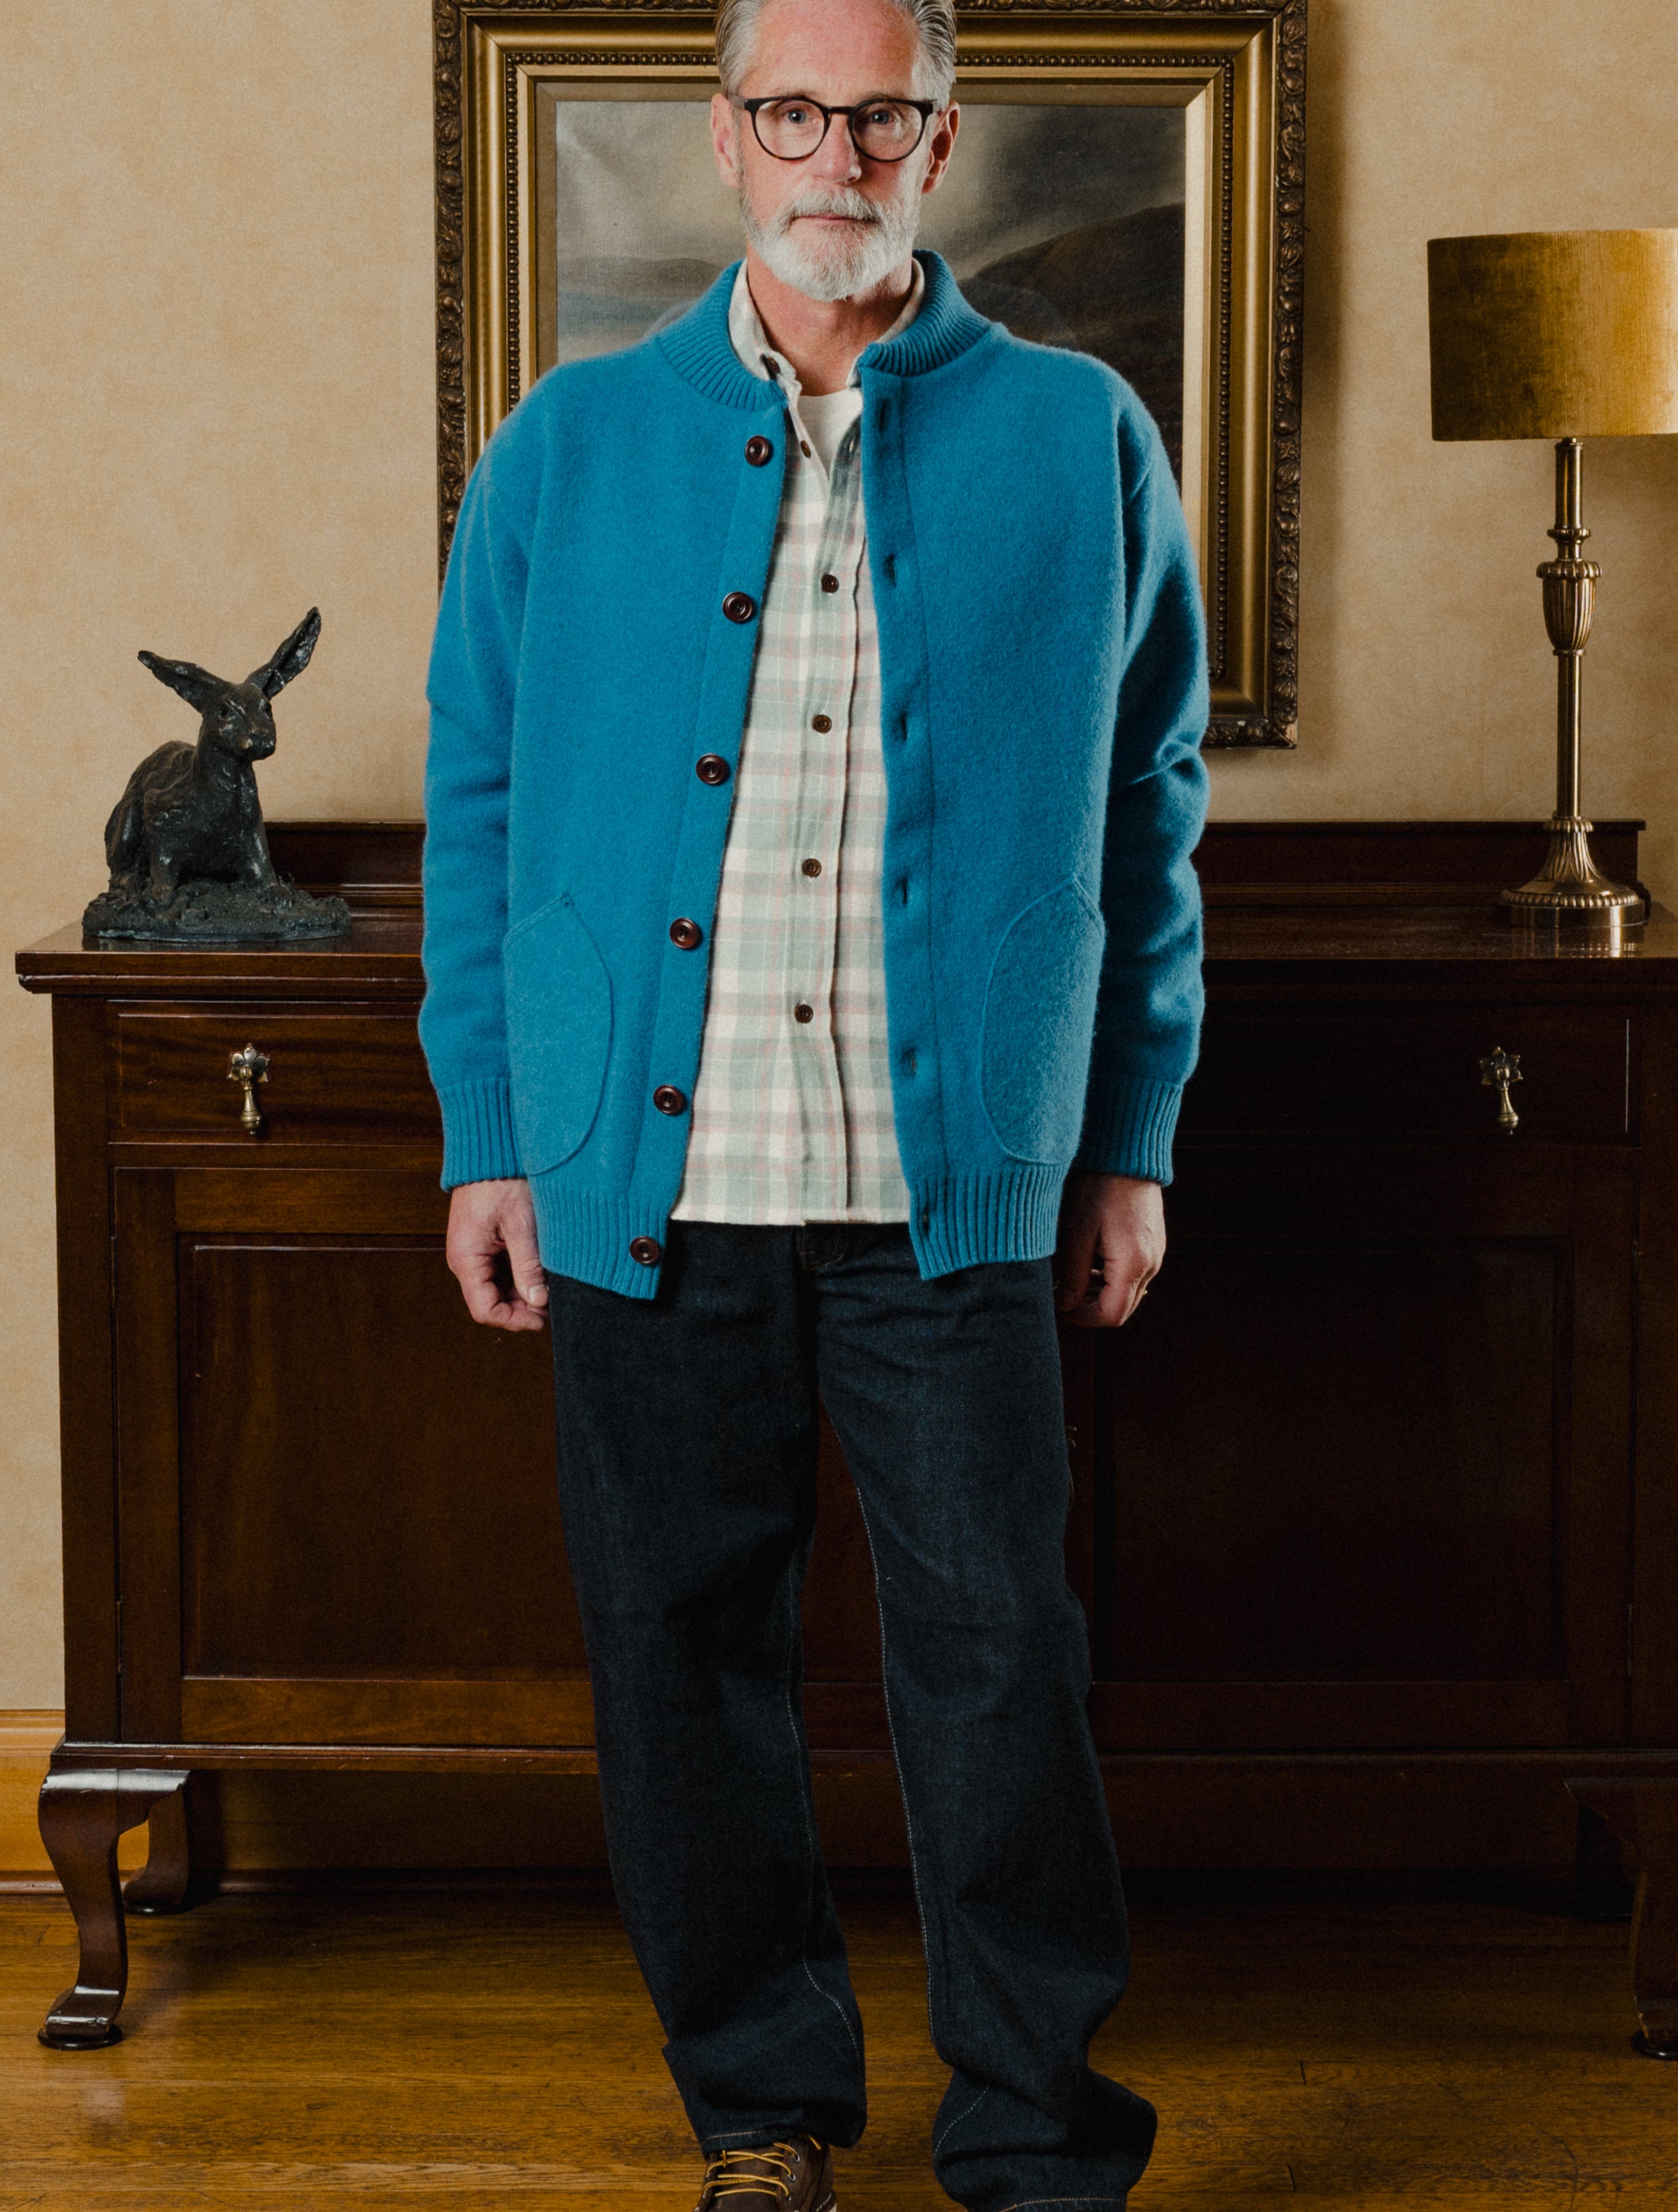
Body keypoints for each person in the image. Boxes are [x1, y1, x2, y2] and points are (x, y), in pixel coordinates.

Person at [419, 0, 1208, 2198]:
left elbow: (1153, 807)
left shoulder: (1081, 435)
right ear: (726, 135)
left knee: (997, 1664)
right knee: (680, 1660)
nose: (831, 149)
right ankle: (764, 2114)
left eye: (877, 111)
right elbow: (476, 797)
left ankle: (1038, 2140)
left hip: (951, 1188)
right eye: (792, 108)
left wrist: (1131, 1131)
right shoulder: (569, 446)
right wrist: (488, 1125)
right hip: (638, 1167)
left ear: (939, 139)